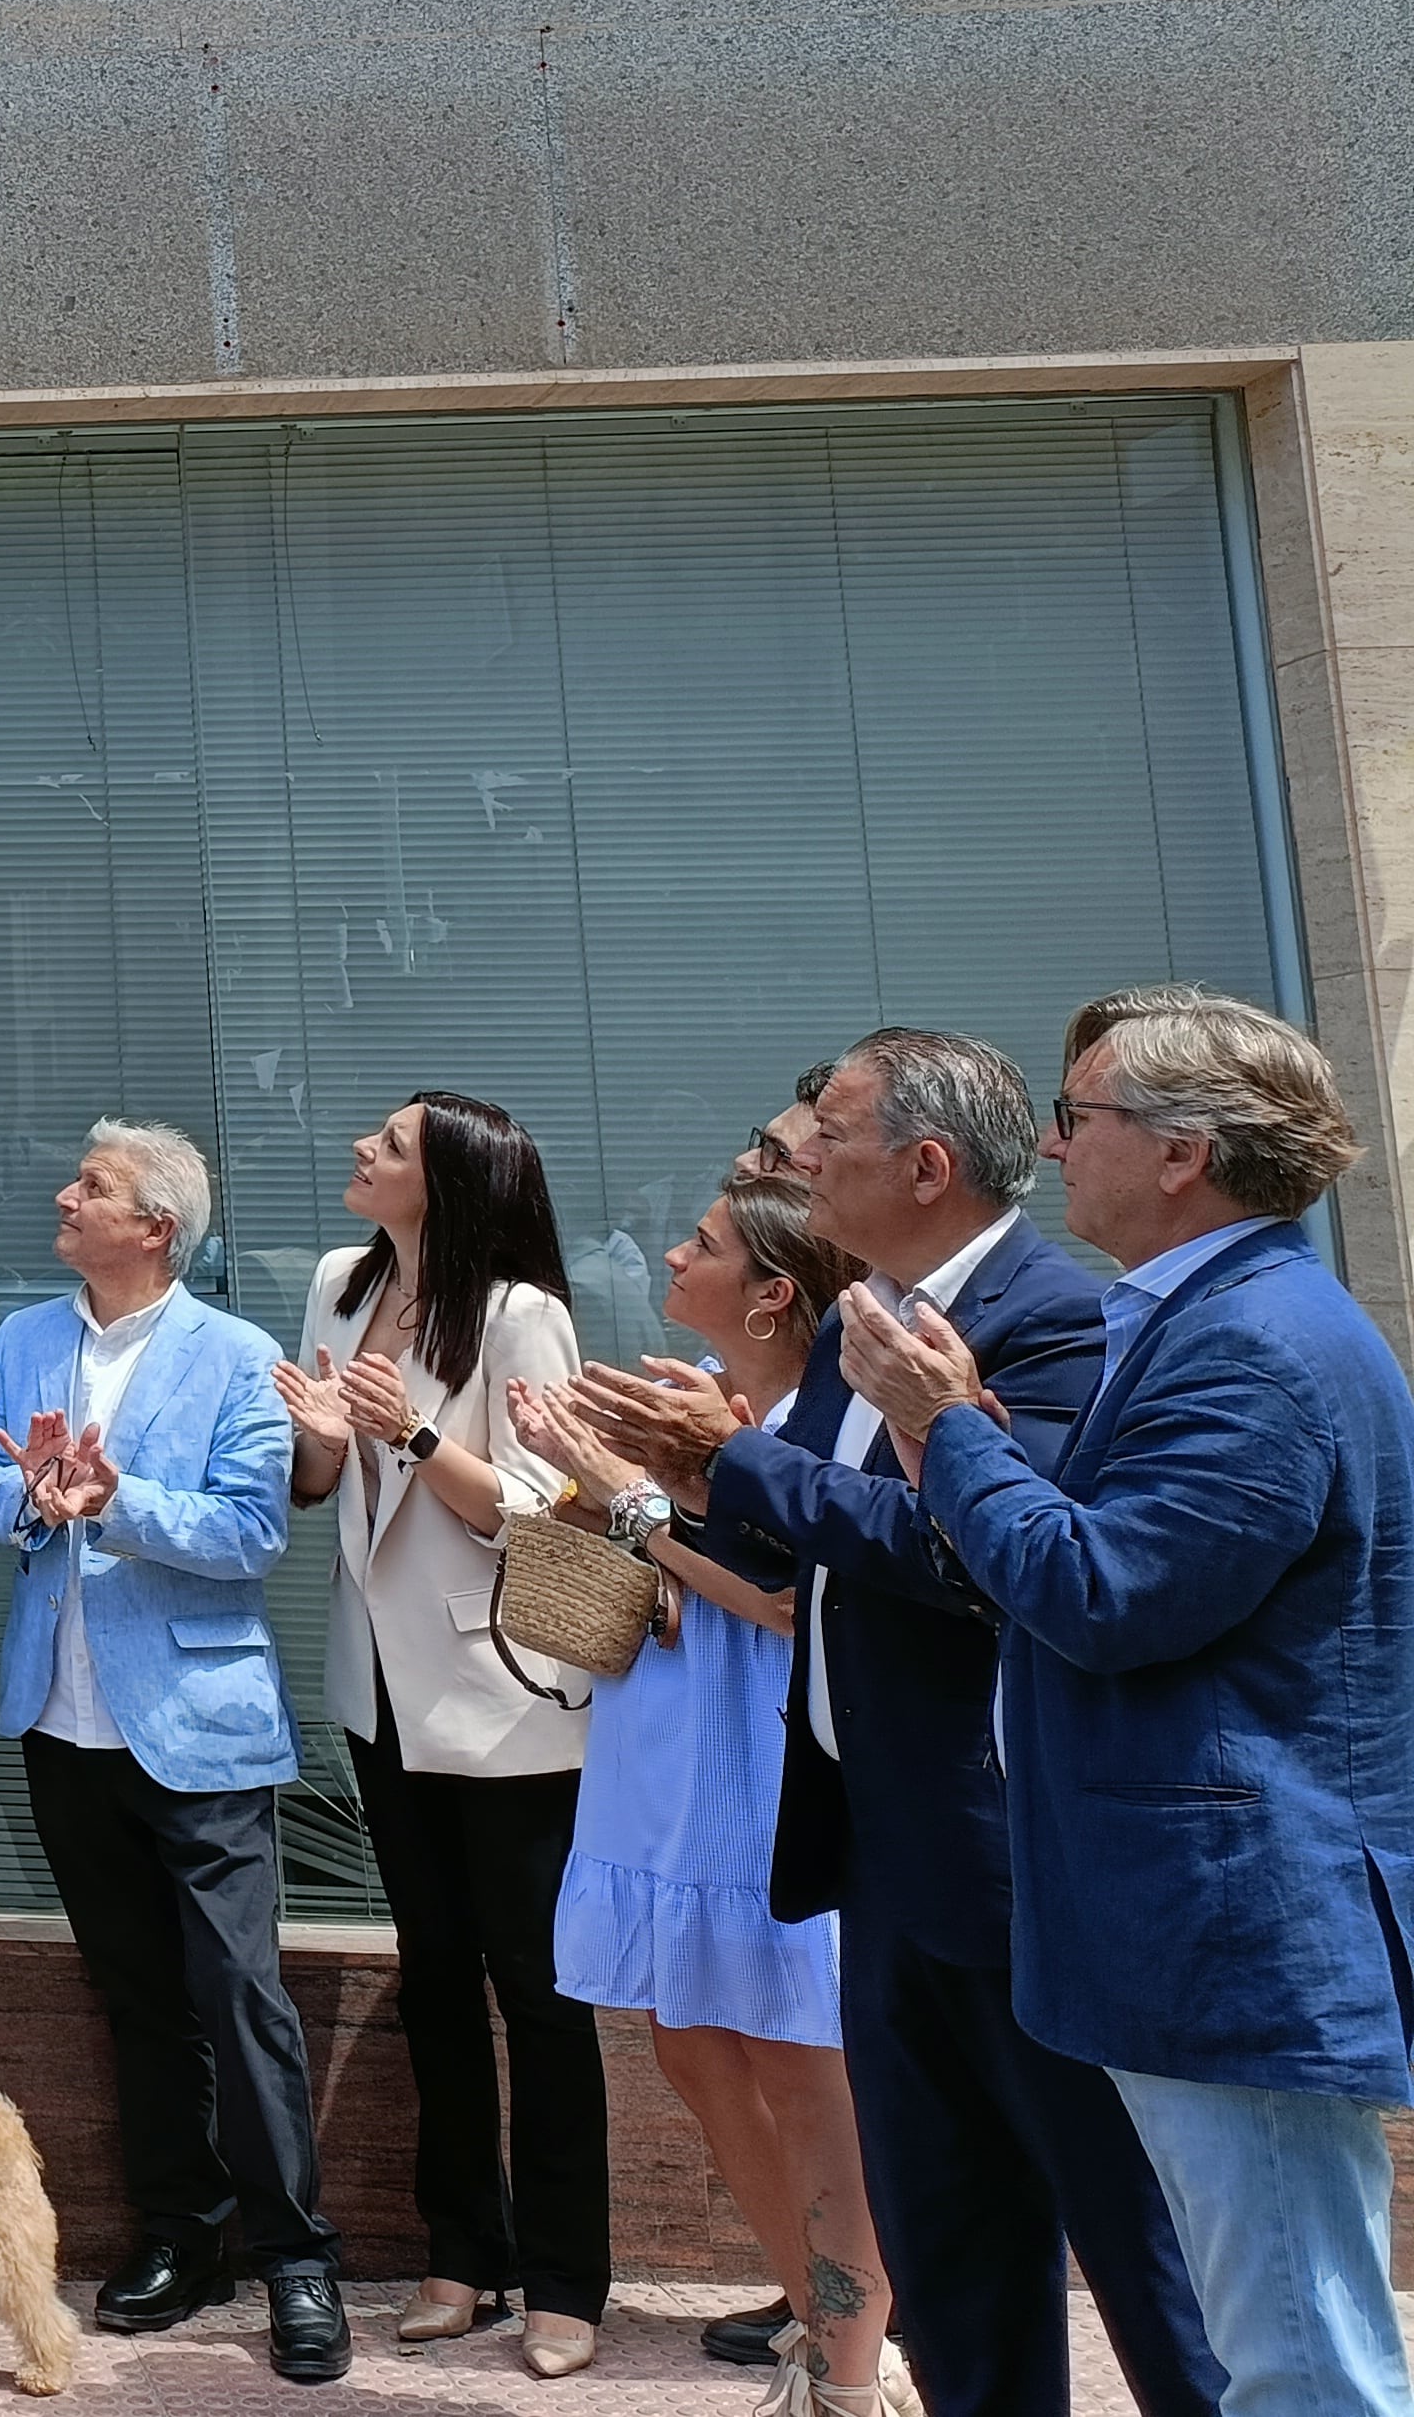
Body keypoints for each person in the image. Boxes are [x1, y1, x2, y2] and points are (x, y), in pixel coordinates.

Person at [572, 1027, 1223, 2417]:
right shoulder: (863, 1314)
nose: (798, 1164)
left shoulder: (1050, 1318)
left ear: (926, 1168)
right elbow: (808, 1548)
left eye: (831, 1142)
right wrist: (677, 1480)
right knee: (952, 2252)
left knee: (1130, 2246)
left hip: (1006, 1862)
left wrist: (727, 1459)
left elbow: (965, 1555)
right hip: (880, 1850)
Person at [850, 995, 1414, 2417]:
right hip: (1208, 1920)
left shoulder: (1254, 1345)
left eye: (1078, 1116)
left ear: (1183, 1155)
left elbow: (1104, 1595)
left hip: (1235, 1927)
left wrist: (944, 1426)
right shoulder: (1216, 1318)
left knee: (1294, 2355)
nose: (1050, 1145)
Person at [0, 1122, 345, 2385]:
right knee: (134, 1996)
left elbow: (247, 1537)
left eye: (94, 1187)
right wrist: (26, 1496)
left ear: (156, 1227)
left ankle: (296, 2259)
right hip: (62, 1721)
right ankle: (185, 2232)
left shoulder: (236, 1357)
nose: (66, 1197)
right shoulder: (23, 1338)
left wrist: (113, 1497)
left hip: (200, 1730)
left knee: (240, 1994)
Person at [508, 1178, 893, 2417]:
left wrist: (628, 1491)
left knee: (796, 2062)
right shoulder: (692, 1390)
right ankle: (834, 2342)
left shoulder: (835, 1415)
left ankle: (852, 2361)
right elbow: (659, 1559)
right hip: (663, 1736)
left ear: (776, 1293)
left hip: (762, 1750)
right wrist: (591, 1487)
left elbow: (790, 1599)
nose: (674, 1253)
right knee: (686, 2041)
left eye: (708, 1246)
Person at [274, 1094, 600, 2373]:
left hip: (504, 1691)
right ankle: (464, 2251)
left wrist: (407, 1430)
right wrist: (316, 1440)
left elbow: (541, 1504)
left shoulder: (520, 1314)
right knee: (434, 1982)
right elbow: (319, 1487)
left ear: (453, 1181)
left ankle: (568, 2278)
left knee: (541, 1990)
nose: (362, 1147)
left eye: (393, 1142)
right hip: (378, 1689)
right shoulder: (338, 1285)